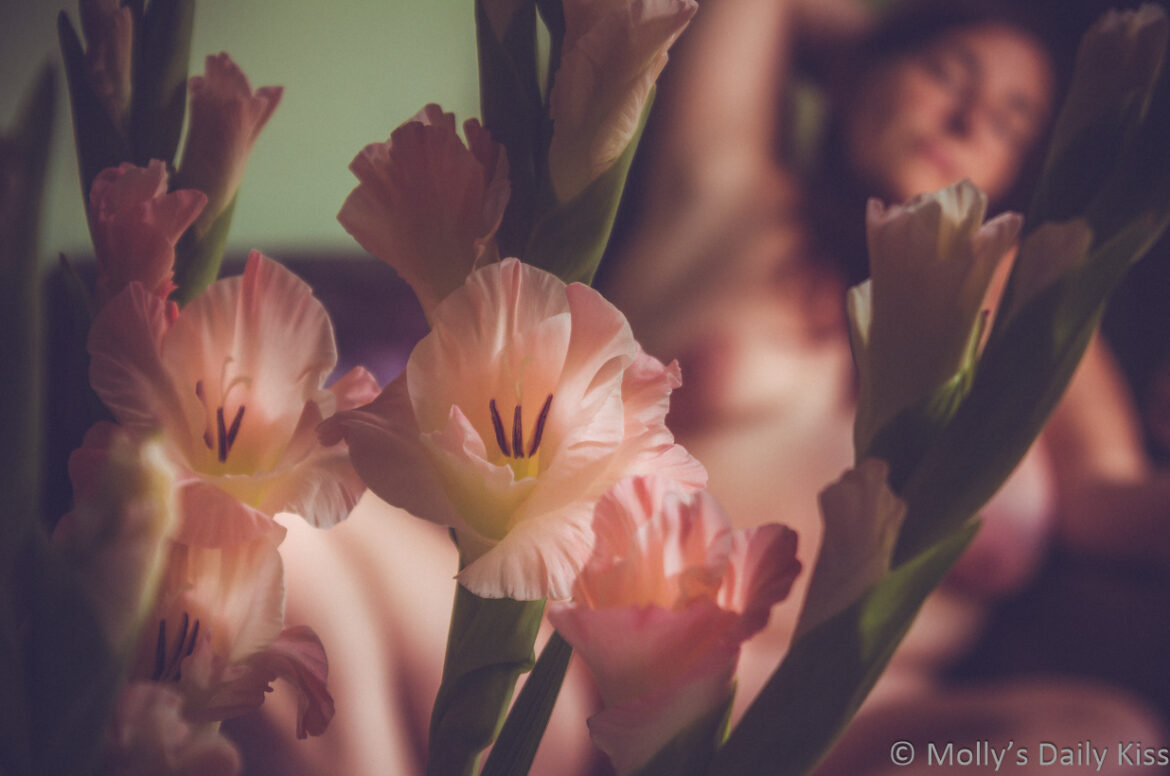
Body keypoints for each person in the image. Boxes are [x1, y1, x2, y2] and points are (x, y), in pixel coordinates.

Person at [601, 0, 1170, 772]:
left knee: (1111, 743)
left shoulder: (1032, 298)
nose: (968, 119)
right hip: (607, 674)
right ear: (859, 77)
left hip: (866, 730)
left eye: (1012, 123)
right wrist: (864, 48)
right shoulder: (731, 195)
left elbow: (1110, 494)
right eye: (946, 72)